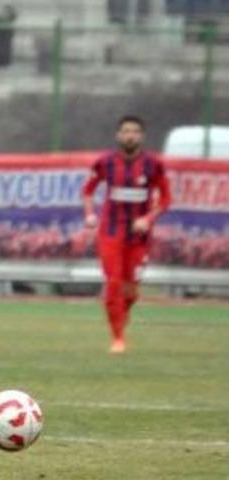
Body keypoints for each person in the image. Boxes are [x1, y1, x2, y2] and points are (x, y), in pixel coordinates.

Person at [82, 115, 171, 353]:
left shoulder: (154, 164)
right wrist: (89, 214)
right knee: (113, 283)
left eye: (134, 131)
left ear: (141, 136)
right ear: (118, 135)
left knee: (131, 290)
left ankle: (120, 318)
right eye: (125, 131)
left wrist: (147, 219)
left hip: (140, 236)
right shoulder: (105, 163)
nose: (130, 135)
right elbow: (88, 191)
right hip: (110, 232)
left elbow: (165, 198)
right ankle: (118, 338)